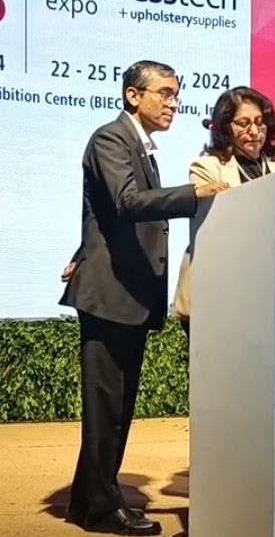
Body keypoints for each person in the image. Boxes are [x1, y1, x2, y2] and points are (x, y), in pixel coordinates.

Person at [59, 60, 228, 535]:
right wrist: (194, 193)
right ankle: (102, 509)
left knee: (115, 407)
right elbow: (126, 202)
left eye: (176, 94)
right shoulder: (111, 139)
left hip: (125, 295)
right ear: (134, 96)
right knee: (107, 409)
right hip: (109, 294)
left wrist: (82, 250)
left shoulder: (140, 146)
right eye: (165, 93)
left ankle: (87, 501)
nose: (174, 103)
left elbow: (101, 217)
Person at [171, 86, 275, 332]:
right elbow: (217, 224)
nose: (254, 131)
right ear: (225, 127)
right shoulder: (207, 167)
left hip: (273, 287)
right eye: (243, 123)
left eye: (260, 123)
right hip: (220, 286)